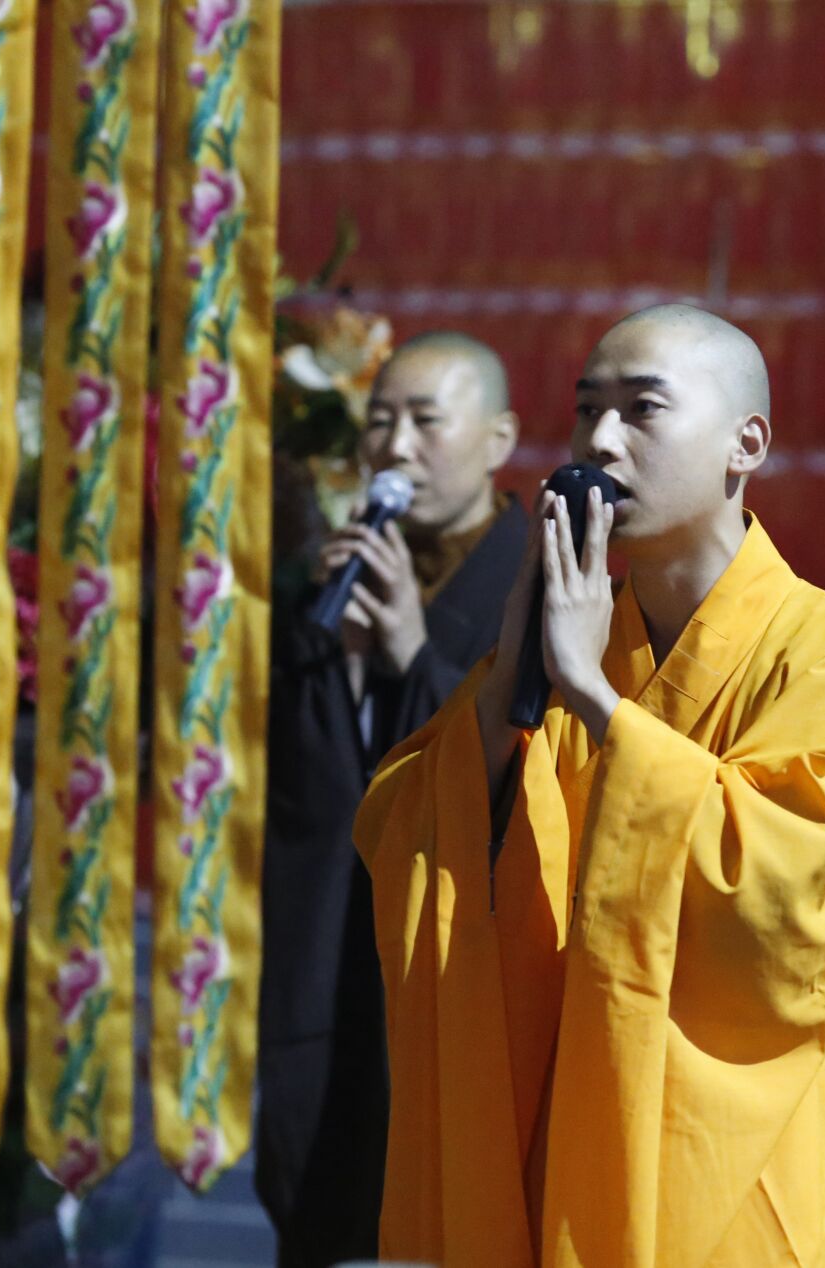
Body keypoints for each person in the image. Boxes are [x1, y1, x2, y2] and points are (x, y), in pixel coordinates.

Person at [354, 304, 825, 1266]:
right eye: (587, 410)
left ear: (747, 444)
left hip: (735, 1170)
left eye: (642, 409)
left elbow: (791, 901)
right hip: (566, 1133)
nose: (601, 441)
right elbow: (405, 827)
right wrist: (521, 668)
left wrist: (598, 702)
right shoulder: (572, 634)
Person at [256, 331, 526, 1267]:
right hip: (329, 965)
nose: (395, 447)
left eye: (424, 420)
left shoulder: (536, 585)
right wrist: (334, 649)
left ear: (498, 439)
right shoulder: (332, 588)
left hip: (457, 968)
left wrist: (416, 656)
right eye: (380, 420)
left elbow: (526, 775)